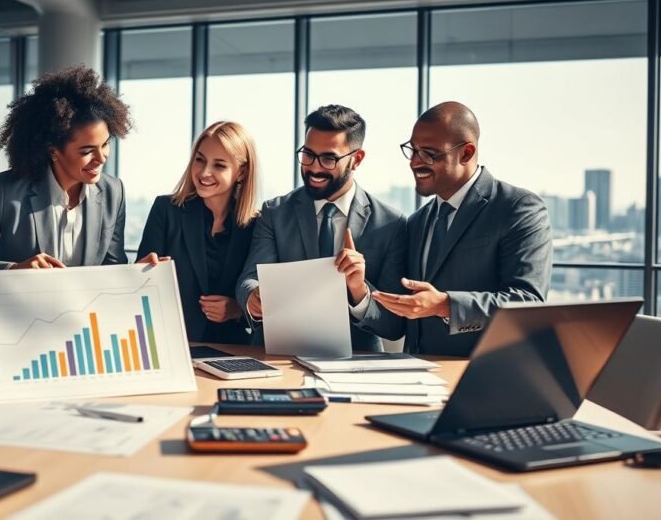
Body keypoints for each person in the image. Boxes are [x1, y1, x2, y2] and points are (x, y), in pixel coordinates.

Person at [372, 101, 552, 356]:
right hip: (416, 376)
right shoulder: (417, 222)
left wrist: (446, 305)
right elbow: (400, 316)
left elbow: (527, 302)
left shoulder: (518, 208)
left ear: (466, 153)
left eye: (428, 153)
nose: (414, 162)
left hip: (485, 375)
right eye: (412, 150)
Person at [236, 105, 407, 352]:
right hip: (280, 357)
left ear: (356, 160)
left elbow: (394, 325)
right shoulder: (275, 212)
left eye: (329, 158)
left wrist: (359, 290)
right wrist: (253, 298)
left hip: (357, 363)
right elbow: (249, 279)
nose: (314, 168)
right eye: (308, 155)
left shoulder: (391, 224)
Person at [0, 65, 131, 272]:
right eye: (86, 151)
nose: (101, 158)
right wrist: (14, 270)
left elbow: (113, 269)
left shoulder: (113, 192)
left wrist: (142, 272)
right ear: (53, 150)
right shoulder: (4, 192)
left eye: (105, 144)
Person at [136, 121, 260, 344]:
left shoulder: (255, 225)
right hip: (169, 344)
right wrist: (142, 272)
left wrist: (237, 311)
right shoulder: (166, 210)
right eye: (200, 160)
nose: (204, 172)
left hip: (232, 350)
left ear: (241, 172)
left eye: (219, 165)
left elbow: (262, 299)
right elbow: (139, 286)